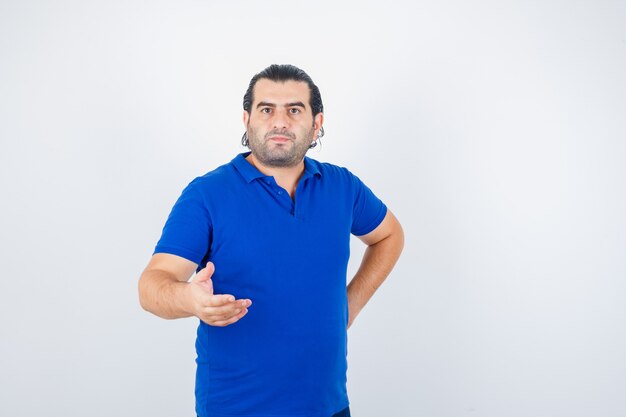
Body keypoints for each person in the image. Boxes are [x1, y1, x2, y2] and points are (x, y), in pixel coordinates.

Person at [138, 64, 404, 417]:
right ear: (247, 120)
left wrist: (349, 305)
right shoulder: (207, 194)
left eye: (294, 110)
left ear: (317, 123)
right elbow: (151, 286)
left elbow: (389, 235)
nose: (280, 122)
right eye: (267, 110)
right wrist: (190, 299)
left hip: (330, 407)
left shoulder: (343, 187)